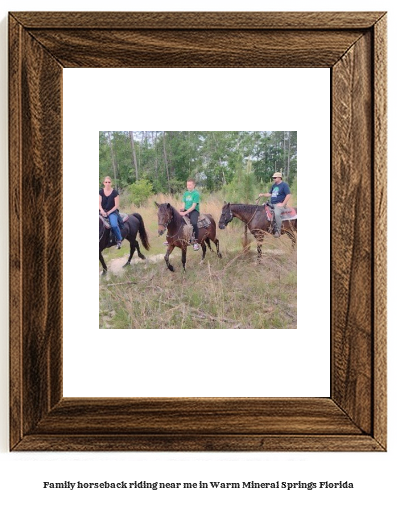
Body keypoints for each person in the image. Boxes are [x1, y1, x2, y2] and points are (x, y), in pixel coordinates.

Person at [258, 171, 291, 238]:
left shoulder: (284, 185)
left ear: (279, 178)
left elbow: (288, 195)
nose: (274, 179)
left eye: (275, 177)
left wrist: (283, 204)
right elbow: (270, 194)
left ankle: (278, 231)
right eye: (273, 178)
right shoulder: (274, 185)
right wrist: (263, 194)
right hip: (272, 203)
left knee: (277, 214)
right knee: (262, 209)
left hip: (279, 204)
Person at [99, 176, 123, 249]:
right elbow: (98, 204)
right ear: (104, 183)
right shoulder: (100, 192)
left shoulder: (115, 193)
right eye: (106, 182)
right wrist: (102, 211)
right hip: (101, 211)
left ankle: (119, 240)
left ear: (111, 183)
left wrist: (108, 213)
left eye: (109, 182)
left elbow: (116, 205)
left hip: (112, 212)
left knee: (114, 225)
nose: (107, 183)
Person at [180, 179, 200, 251]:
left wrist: (185, 213)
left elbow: (193, 206)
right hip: (186, 210)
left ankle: (195, 242)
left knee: (194, 223)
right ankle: (171, 238)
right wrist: (182, 208)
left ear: (193, 185)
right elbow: (183, 203)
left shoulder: (196, 194)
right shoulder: (185, 193)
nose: (188, 186)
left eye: (190, 185)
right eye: (187, 185)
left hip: (194, 211)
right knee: (174, 219)